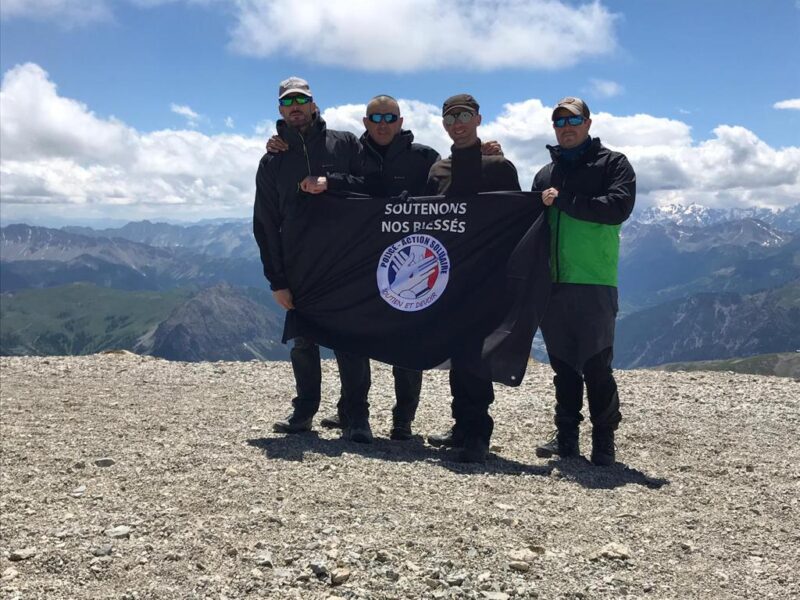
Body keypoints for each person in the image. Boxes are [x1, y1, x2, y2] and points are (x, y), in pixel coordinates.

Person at [267, 94, 440, 441]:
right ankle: (348, 414)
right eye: (376, 118)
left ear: (401, 121)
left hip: (406, 262)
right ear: (365, 122)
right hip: (352, 260)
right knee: (346, 336)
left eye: (389, 118)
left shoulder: (424, 158)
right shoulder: (351, 148)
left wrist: (483, 154)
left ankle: (402, 420)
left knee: (404, 339)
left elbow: (448, 194)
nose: (382, 124)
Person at [252, 76, 372, 443]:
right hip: (299, 264)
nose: (296, 107)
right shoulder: (272, 161)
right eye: (288, 102)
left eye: (301, 99)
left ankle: (356, 418)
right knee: (304, 342)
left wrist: (329, 182)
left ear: (314, 104)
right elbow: (265, 222)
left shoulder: (345, 142)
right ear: (280, 110)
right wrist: (277, 280)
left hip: (345, 260)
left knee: (350, 342)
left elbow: (370, 186)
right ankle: (304, 412)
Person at [531, 96, 636, 466]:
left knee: (596, 365)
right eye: (559, 123)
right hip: (553, 283)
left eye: (572, 121)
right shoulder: (545, 174)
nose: (566, 128)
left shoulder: (614, 164)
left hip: (594, 280)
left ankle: (604, 443)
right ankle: (567, 439)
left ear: (588, 124)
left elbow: (617, 208)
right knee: (563, 366)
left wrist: (565, 201)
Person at [425, 93, 521, 463]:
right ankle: (460, 425)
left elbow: (516, 217)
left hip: (486, 277)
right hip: (446, 276)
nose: (457, 124)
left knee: (475, 355)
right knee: (455, 350)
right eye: (450, 119)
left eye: (464, 116)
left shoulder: (499, 166)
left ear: (478, 119)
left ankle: (478, 434)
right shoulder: (438, 171)